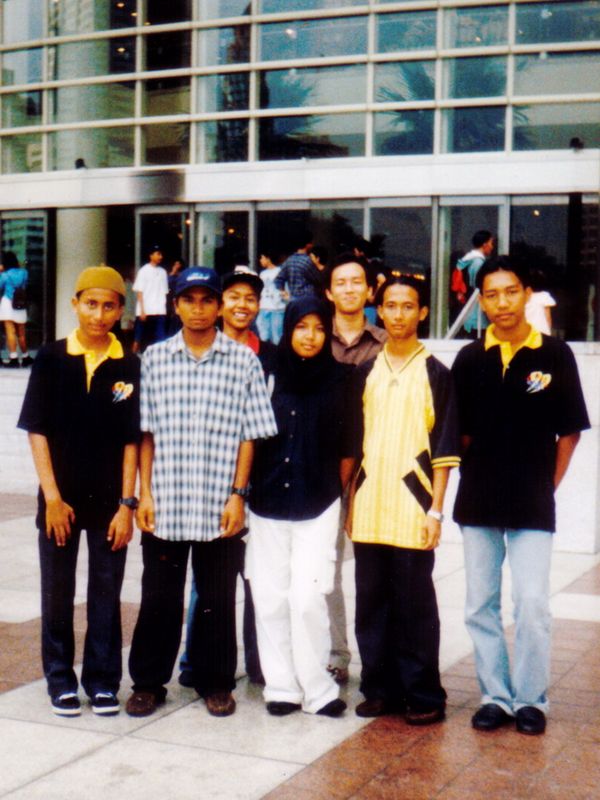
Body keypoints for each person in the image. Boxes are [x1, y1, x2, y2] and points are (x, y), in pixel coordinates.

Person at [125, 267, 277, 719]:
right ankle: (148, 683)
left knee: (216, 600)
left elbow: (250, 434)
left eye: (207, 299)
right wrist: (145, 494)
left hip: (218, 503)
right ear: (175, 305)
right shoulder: (153, 359)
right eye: (188, 300)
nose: (198, 308)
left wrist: (238, 494)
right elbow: (146, 433)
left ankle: (216, 683)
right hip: (167, 501)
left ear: (218, 305)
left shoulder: (243, 360)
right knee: (159, 597)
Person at [452, 255, 590, 736]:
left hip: (532, 502)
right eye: (491, 295)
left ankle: (531, 699)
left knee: (532, 603)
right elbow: (459, 434)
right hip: (478, 500)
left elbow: (570, 432)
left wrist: (546, 486)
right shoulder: (470, 359)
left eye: (511, 291)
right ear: (481, 301)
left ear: (527, 294)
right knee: (480, 604)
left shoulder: (555, 355)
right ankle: (495, 696)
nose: (502, 303)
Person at [17, 266, 140, 716]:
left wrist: (126, 505)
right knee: (57, 590)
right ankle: (60, 681)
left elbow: (131, 440)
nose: (98, 315)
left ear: (121, 310)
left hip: (109, 501)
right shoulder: (51, 357)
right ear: (75, 304)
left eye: (109, 306)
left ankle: (103, 682)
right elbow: (37, 431)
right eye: (90, 304)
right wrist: (52, 497)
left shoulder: (129, 364)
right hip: (60, 500)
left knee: (106, 591)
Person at [350, 273, 460, 725]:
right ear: (380, 311)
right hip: (368, 504)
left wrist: (436, 511)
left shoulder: (436, 373)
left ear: (423, 312)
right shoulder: (366, 372)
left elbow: (445, 450)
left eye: (408, 306)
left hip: (414, 506)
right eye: (390, 306)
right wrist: (350, 502)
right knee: (371, 603)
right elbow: (355, 444)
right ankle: (379, 690)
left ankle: (423, 694)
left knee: (415, 606)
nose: (398, 314)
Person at [245, 296, 358, 717]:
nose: (310, 336)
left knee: (309, 597)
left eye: (319, 328)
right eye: (301, 327)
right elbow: (249, 435)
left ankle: (318, 689)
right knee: (270, 598)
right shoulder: (267, 372)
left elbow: (350, 447)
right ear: (288, 329)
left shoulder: (343, 379)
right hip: (267, 500)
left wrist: (336, 493)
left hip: (318, 502)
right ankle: (281, 687)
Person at [178, 266, 276, 688]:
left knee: (256, 578)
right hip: (210, 485)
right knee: (207, 581)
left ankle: (259, 662)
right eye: (234, 296)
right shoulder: (201, 351)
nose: (242, 305)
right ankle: (193, 660)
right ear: (220, 305)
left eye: (250, 298)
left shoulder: (270, 356)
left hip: (260, 485)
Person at [321, 252, 387, 685]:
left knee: (375, 570)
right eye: (340, 282)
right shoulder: (312, 335)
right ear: (329, 292)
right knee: (326, 568)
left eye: (356, 281)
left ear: (369, 289)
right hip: (324, 470)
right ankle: (336, 654)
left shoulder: (385, 342)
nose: (349, 289)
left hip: (377, 471)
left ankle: (381, 663)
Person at [456, 230, 495, 337]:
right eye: (491, 243)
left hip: (470, 309)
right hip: (477, 314)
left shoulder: (468, 260)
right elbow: (478, 286)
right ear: (485, 244)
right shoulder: (478, 263)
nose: (492, 247)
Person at [132, 248, 169, 352]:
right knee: (138, 339)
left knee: (160, 339)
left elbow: (164, 292)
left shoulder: (163, 272)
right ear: (151, 255)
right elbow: (139, 291)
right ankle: (132, 358)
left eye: (161, 254)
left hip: (159, 311)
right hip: (145, 311)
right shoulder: (143, 271)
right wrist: (142, 310)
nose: (160, 257)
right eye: (158, 254)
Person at [0, 251, 32, 367]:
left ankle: (13, 358)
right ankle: (25, 356)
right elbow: (25, 285)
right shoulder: (24, 273)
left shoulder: (5, 275)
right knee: (21, 333)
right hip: (19, 303)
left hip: (7, 303)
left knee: (10, 332)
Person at [274, 231, 319, 301]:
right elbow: (318, 280)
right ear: (308, 245)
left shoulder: (289, 260)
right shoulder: (307, 261)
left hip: (293, 300)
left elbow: (278, 280)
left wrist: (284, 293)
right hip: (307, 300)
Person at [525, 269, 556, 335]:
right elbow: (548, 316)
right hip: (542, 329)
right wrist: (549, 329)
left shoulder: (526, 297)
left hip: (528, 330)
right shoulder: (544, 296)